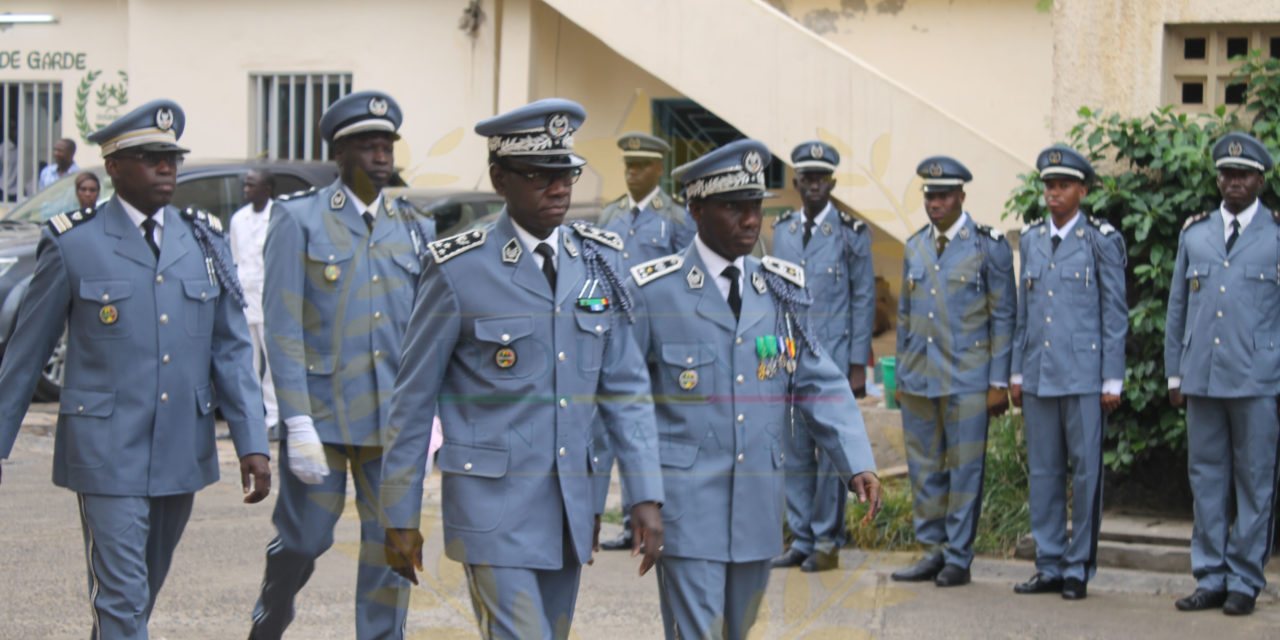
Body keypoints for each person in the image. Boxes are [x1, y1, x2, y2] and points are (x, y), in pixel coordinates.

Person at [380, 98, 665, 640]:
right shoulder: (458, 268)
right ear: (499, 178)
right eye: (539, 175)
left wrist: (645, 494)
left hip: (567, 511)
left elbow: (626, 389)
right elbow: (413, 399)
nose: (558, 188)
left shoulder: (599, 260)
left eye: (567, 174)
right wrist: (400, 512)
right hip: (491, 509)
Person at [0, 99, 271, 639]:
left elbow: (232, 349)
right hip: (104, 450)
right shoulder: (74, 243)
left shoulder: (202, 240)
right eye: (150, 158)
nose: (166, 168)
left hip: (180, 448)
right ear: (115, 168)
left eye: (171, 157)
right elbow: (26, 353)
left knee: (140, 594)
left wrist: (253, 442)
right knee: (122, 601)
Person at [626, 139, 882, 639]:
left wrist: (855, 460)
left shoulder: (779, 288)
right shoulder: (654, 291)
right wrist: (642, 496)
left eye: (756, 207)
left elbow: (817, 378)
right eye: (733, 208)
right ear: (696, 209)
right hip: (684, 507)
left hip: (757, 510)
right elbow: (624, 401)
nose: (750, 221)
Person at [249, 90, 435, 640]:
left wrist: (434, 412)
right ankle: (273, 608)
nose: (381, 156)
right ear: (339, 153)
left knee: (392, 550)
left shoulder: (414, 225)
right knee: (306, 538)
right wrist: (296, 419)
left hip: (394, 421)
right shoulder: (298, 220)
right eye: (368, 146)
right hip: (324, 418)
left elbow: (427, 330)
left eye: (387, 146)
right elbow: (282, 328)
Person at [1165, 131, 1278, 616]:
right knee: (1206, 479)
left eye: (1244, 174)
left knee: (1254, 481)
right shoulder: (1196, 234)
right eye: (1227, 174)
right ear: (1217, 178)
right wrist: (1175, 375)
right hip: (1203, 377)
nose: (1234, 182)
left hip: (1258, 379)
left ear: (1260, 180)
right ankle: (1210, 576)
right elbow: (1176, 309)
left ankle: (1245, 580)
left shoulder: (1276, 235)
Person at [891, 155, 1015, 588]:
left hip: (968, 377)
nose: (935, 203)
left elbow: (1004, 317)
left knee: (964, 470)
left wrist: (999, 382)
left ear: (961, 196)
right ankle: (932, 551)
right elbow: (906, 318)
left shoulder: (987, 245)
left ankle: (958, 557)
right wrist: (901, 378)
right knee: (924, 469)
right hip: (920, 377)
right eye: (929, 195)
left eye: (943, 195)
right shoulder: (914, 246)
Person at [1009, 145, 1127, 601]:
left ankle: (1078, 567)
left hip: (1083, 374)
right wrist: (1017, 372)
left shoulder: (1101, 239)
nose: (1054, 193)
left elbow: (1115, 313)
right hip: (1039, 372)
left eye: (1063, 186)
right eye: (1049, 186)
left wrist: (1111, 378)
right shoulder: (1033, 239)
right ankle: (1050, 562)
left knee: (1085, 475)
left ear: (1082, 189)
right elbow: (1025, 313)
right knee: (1043, 471)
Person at [769, 140, 876, 573]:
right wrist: (770, 358)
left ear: (831, 183)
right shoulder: (782, 231)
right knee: (794, 452)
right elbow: (772, 297)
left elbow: (864, 299)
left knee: (832, 453)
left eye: (821, 178)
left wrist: (855, 365)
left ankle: (828, 541)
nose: (813, 185)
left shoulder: (851, 234)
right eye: (806, 178)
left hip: (831, 360)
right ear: (795, 182)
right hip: (787, 358)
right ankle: (802, 537)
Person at [595, 131, 697, 552]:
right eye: (627, 167)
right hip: (617, 344)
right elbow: (596, 279)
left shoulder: (675, 218)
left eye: (640, 167)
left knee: (657, 435)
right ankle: (623, 523)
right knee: (616, 432)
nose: (632, 174)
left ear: (658, 169)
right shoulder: (610, 217)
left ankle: (659, 516)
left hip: (659, 349)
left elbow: (688, 284)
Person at [229, 169, 279, 437]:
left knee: (272, 361)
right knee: (248, 362)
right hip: (245, 298)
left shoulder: (278, 216)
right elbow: (236, 260)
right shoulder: (238, 219)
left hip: (270, 298)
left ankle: (273, 417)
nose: (246, 189)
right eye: (245, 184)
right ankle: (251, 416)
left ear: (267, 189)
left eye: (252, 185)